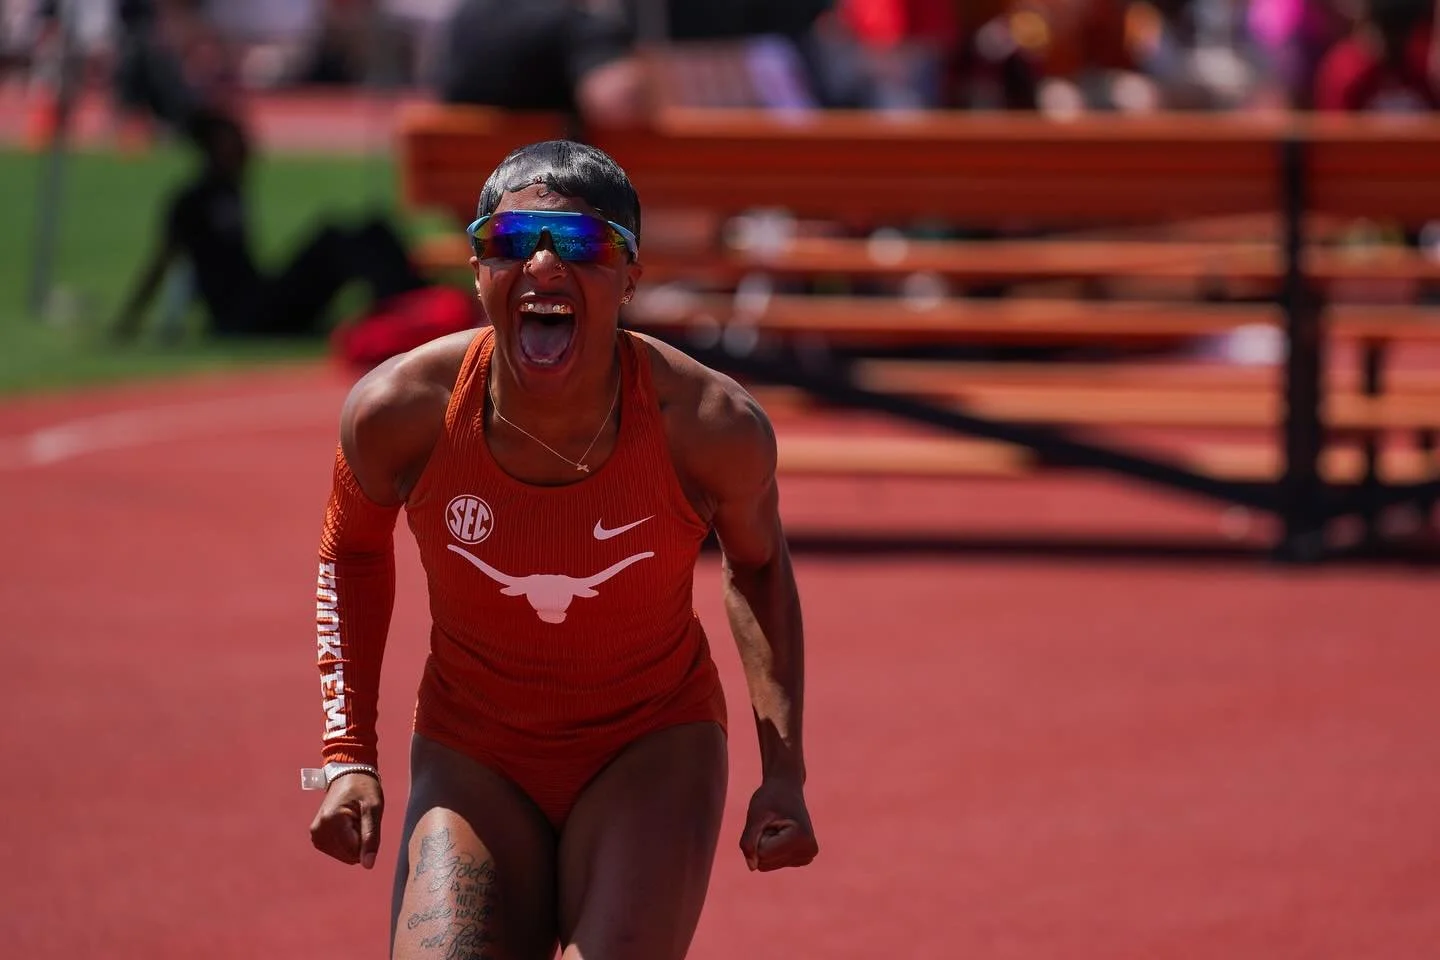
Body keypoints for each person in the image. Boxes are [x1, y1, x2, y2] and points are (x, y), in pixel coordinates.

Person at [304, 139, 818, 959]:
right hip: (473, 752)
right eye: (509, 243)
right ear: (478, 270)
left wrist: (782, 770)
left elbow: (758, 565)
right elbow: (351, 552)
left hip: (649, 746)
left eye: (579, 244)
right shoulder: (401, 412)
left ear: (631, 274)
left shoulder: (708, 426)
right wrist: (345, 757)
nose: (541, 263)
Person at [112, 108, 430, 341]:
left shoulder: (231, 191)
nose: (246, 149)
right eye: (234, 141)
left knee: (373, 226)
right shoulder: (190, 202)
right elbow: (162, 263)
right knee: (334, 238)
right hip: (243, 315)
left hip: (259, 297)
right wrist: (127, 323)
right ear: (211, 148)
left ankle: (415, 302)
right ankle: (408, 310)